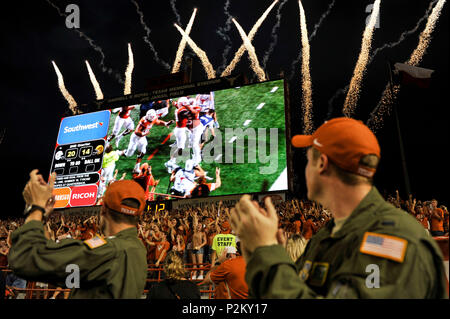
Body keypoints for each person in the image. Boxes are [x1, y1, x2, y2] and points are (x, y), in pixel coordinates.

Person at [230, 117, 448, 298]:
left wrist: (267, 254)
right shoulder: (326, 236)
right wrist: (257, 256)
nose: (306, 170)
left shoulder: (393, 237)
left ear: (322, 164)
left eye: (308, 160)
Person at [9, 170, 148, 298]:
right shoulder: (136, 248)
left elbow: (25, 259)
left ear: (103, 208)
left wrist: (35, 208)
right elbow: (73, 277)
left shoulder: (111, 251)